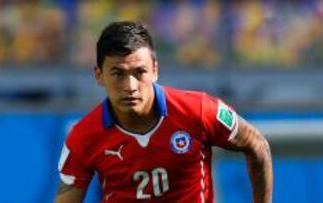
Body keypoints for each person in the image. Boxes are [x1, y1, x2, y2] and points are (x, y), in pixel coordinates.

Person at [55, 21, 273, 203]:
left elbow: (257, 144)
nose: (130, 86)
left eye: (139, 72)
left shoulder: (199, 110)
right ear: (99, 75)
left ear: (155, 71)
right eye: (118, 73)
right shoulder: (84, 137)